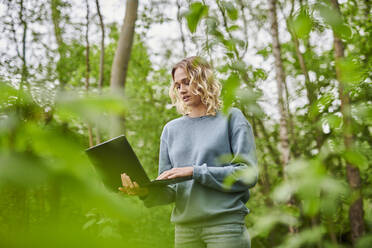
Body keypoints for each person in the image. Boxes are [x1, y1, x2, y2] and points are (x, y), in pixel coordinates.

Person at [119, 56, 258, 248]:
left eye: (187, 82)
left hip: (225, 227)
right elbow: (169, 190)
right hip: (185, 231)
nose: (182, 90)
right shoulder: (171, 130)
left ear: (204, 81)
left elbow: (247, 174)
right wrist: (144, 192)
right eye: (177, 85)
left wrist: (194, 171)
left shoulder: (232, 118)